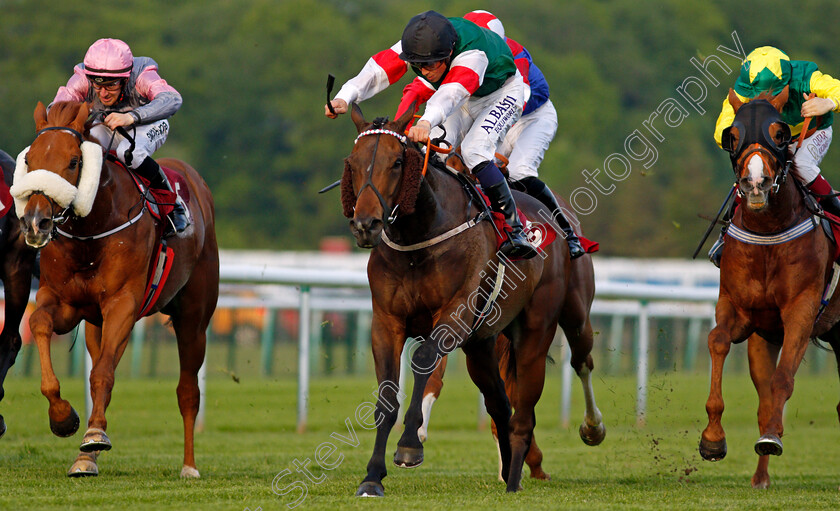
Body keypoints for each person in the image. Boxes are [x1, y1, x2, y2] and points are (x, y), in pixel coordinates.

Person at [326, 10, 537, 259]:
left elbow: (451, 94)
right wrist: (344, 96)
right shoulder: (420, 45)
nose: (424, 71)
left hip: (501, 94)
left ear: (448, 53)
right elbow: (379, 69)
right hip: (467, 96)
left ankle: (515, 228)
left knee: (473, 151)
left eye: (431, 65)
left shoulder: (473, 55)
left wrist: (426, 122)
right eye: (418, 65)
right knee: (428, 152)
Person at [396, 10, 585, 259]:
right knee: (444, 152)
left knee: (518, 172)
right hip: (485, 111)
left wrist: (483, 140)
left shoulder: (512, 55)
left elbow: (522, 99)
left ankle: (567, 232)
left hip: (531, 117)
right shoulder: (456, 53)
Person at [709, 46, 840, 266]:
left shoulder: (806, 77)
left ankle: (836, 211)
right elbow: (721, 131)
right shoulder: (744, 88)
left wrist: (828, 103)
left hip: (812, 133)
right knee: (752, 171)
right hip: (773, 141)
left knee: (801, 164)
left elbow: (836, 88)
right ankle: (726, 232)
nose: (760, 100)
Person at [52, 38, 189, 236]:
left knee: (129, 153)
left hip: (148, 123)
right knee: (89, 149)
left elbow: (173, 99)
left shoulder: (142, 74)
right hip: (109, 125)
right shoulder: (83, 77)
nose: (103, 93)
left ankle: (172, 204)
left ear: (125, 78)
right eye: (97, 85)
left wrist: (131, 117)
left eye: (111, 85)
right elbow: (56, 108)